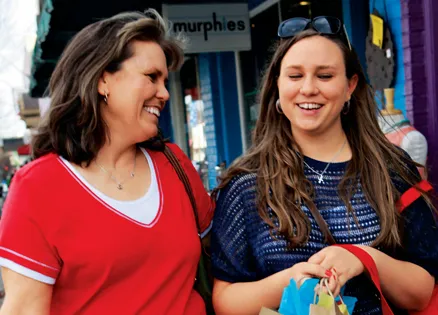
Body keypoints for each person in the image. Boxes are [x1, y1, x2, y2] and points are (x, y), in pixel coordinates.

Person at [210, 16, 438, 315]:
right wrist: (292, 279)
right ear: (277, 85)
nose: (308, 88)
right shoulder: (245, 184)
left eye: (325, 76)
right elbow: (225, 302)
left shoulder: (392, 169)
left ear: (350, 86)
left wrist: (363, 258)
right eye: (294, 76)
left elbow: (422, 293)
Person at [0, 9, 214, 315]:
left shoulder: (175, 164)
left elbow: (226, 261)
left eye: (166, 80)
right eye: (151, 77)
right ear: (103, 80)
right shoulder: (38, 187)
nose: (165, 93)